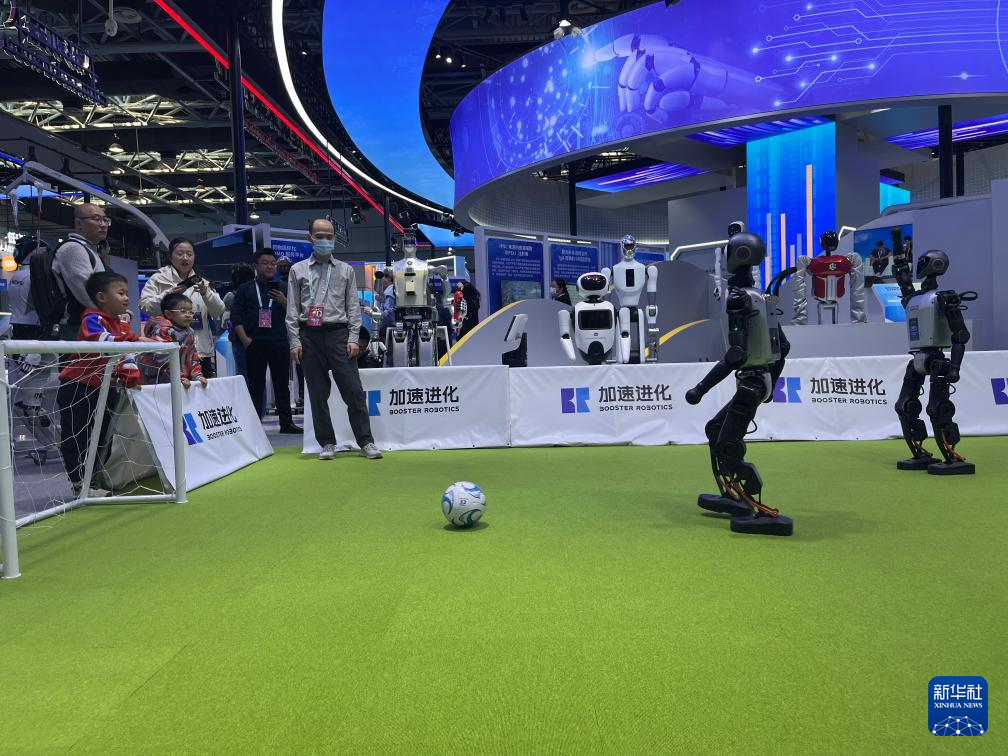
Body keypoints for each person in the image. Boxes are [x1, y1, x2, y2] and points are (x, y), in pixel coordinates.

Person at [286, 218, 382, 460]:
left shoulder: (346, 270)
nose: (325, 241)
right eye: (320, 236)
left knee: (353, 391)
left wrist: (353, 338)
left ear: (334, 239)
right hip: (309, 336)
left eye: (329, 237)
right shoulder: (297, 270)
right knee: (317, 394)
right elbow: (292, 309)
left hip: (339, 335)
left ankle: (366, 441)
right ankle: (327, 442)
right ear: (310, 238)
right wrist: (295, 341)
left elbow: (353, 307)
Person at [57, 271, 143, 498]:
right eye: (121, 293)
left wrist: (130, 379)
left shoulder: (120, 325)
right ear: (102, 297)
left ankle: (91, 481)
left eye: (127, 293)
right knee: (78, 436)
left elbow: (126, 354)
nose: (126, 298)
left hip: (105, 388)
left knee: (101, 435)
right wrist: (136, 339)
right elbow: (106, 344)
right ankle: (79, 484)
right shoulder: (92, 319)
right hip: (78, 386)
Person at [231, 249, 301, 434]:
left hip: (279, 342)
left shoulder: (284, 287)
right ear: (255, 266)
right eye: (265, 263)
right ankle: (254, 425)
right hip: (255, 343)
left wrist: (284, 301)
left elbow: (296, 314)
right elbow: (236, 317)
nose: (270, 266)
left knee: (282, 385)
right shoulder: (245, 289)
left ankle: (286, 423)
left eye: (273, 263)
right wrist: (245, 340)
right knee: (255, 385)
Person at [139, 237, 225, 378]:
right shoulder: (158, 279)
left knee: (201, 389)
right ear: (170, 256)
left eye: (189, 254)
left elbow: (219, 311)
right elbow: (145, 306)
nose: (185, 258)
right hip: (167, 352)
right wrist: (169, 294)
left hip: (199, 351)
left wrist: (206, 293)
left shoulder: (202, 282)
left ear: (194, 257)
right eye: (180, 253)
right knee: (171, 390)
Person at [52, 203, 111, 339]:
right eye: (96, 219)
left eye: (105, 220)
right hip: (76, 329)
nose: (103, 225)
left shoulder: (89, 250)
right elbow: (88, 294)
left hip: (89, 326)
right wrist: (116, 313)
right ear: (79, 223)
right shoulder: (73, 249)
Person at [139, 292, 206, 388]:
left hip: (178, 379)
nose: (188, 315)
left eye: (190, 311)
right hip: (156, 382)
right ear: (168, 314)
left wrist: (197, 375)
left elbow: (192, 356)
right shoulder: (163, 330)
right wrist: (178, 377)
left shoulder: (189, 332)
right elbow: (163, 359)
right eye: (183, 311)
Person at [276, 256, 304, 407]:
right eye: (280, 266)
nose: (283, 269)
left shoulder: (298, 284)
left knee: (300, 365)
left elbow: (299, 310)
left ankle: (302, 395)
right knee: (282, 368)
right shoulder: (276, 286)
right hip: (280, 331)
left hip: (297, 331)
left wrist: (285, 302)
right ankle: (284, 399)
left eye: (285, 266)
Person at [223, 264, 255, 378]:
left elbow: (224, 320)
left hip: (239, 339)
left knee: (242, 372)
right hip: (253, 337)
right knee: (256, 371)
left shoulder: (230, 296)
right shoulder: (256, 292)